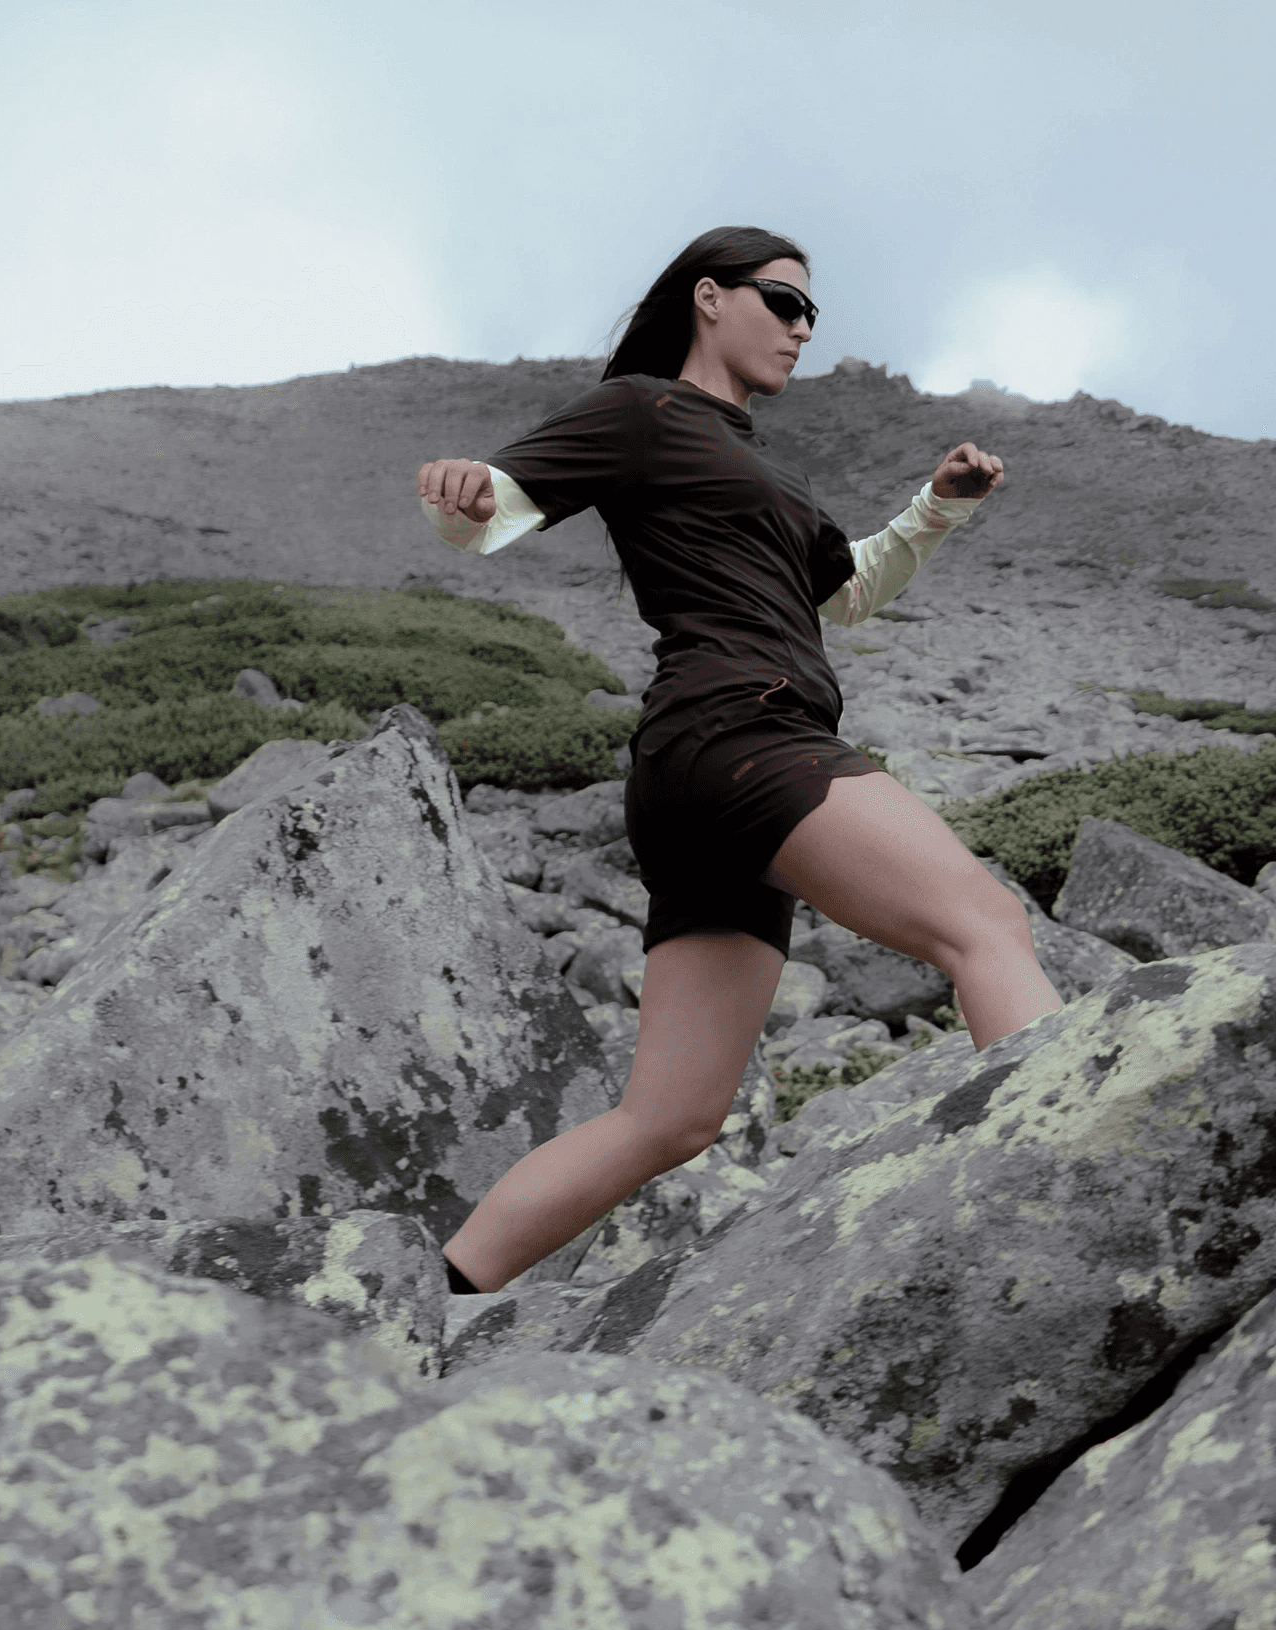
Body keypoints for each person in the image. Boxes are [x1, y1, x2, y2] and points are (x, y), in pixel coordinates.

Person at [417, 225, 1063, 1296]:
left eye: (813, 313)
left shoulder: (768, 460)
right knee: (985, 924)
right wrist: (459, 496)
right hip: (741, 728)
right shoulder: (640, 410)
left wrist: (938, 508)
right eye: (783, 302)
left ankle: (423, 1305)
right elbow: (496, 510)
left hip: (696, 769)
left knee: (670, 1118)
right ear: (710, 299)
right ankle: (1067, 1180)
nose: (803, 328)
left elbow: (843, 594)